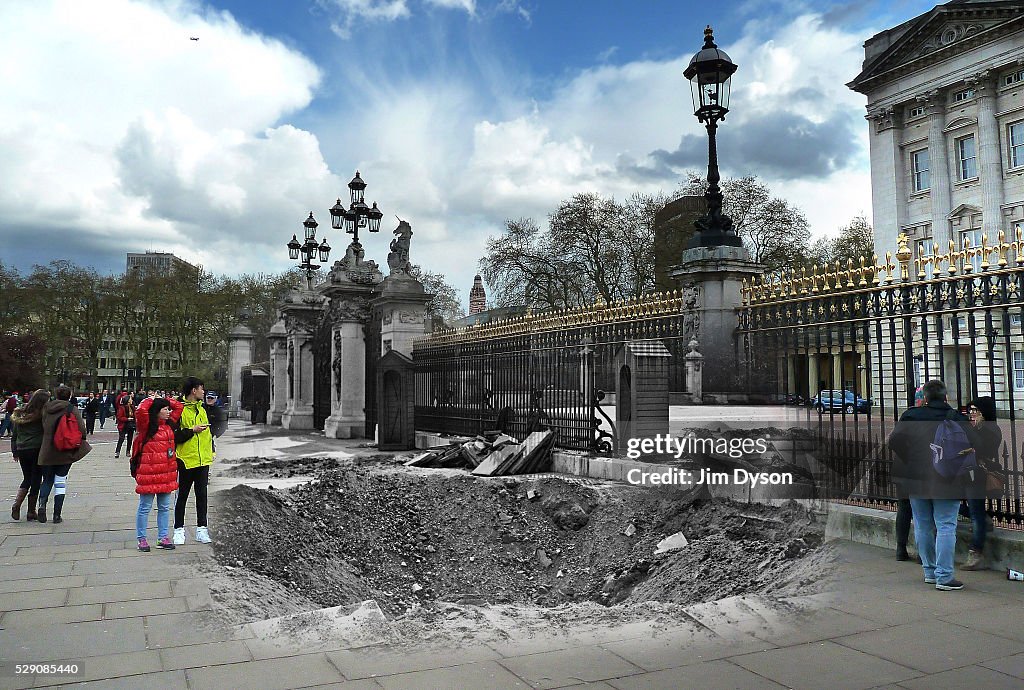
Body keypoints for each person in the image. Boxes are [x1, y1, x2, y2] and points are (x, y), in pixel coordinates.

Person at [888, 379, 979, 591]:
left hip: (916, 477)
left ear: (925, 397)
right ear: (945, 396)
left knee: (922, 525)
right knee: (946, 525)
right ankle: (944, 576)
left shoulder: (911, 415)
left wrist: (911, 458)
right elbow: (975, 443)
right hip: (947, 478)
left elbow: (895, 442)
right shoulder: (956, 417)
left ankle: (929, 572)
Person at [131, 397, 181, 551]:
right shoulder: (146, 426)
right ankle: (142, 539)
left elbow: (179, 407)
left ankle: (163, 537)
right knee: (145, 507)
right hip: (149, 474)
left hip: (166, 474)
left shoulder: (169, 426)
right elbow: (140, 410)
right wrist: (150, 399)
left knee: (164, 507)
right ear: (156, 411)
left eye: (168, 409)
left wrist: (164, 399)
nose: (168, 412)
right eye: (164, 409)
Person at [37, 385, 92, 524]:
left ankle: (42, 506)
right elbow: (81, 429)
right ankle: (57, 514)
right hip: (65, 450)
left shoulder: (46, 408)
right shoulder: (71, 409)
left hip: (47, 450)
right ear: (69, 395)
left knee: (47, 480)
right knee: (60, 481)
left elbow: (42, 426)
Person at [961, 396, 1002, 571]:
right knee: (957, 503)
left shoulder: (991, 430)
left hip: (979, 474)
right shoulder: (975, 428)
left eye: (975, 411)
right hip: (968, 472)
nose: (971, 414)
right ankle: (984, 520)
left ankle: (976, 552)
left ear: (984, 412)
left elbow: (981, 449)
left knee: (976, 512)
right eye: (970, 411)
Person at [172, 377, 214, 545]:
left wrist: (212, 449)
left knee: (202, 496)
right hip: (186, 459)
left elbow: (207, 433)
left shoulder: (202, 409)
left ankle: (202, 529)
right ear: (193, 391)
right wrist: (192, 430)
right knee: (182, 496)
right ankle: (178, 530)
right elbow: (174, 436)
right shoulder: (179, 410)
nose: (204, 392)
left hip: (203, 460)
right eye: (201, 389)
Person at [895, 386, 926, 562]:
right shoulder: (926, 417)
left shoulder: (908, 415)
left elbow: (895, 440)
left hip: (902, 468)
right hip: (916, 469)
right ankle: (923, 552)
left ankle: (901, 548)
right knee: (923, 511)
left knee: (904, 508)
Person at [9, 389, 48, 521]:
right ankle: (31, 511)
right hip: (36, 448)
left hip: (22, 448)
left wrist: (14, 450)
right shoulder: (41, 415)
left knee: (27, 477)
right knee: (36, 479)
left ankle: (17, 504)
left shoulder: (20, 413)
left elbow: (14, 435)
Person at [114, 390, 135, 459]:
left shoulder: (132, 407)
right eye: (130, 399)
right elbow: (119, 417)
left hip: (131, 425)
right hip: (124, 425)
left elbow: (135, 415)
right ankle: (117, 451)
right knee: (121, 438)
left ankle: (128, 451)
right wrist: (127, 419)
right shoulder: (122, 408)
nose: (131, 400)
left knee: (130, 438)